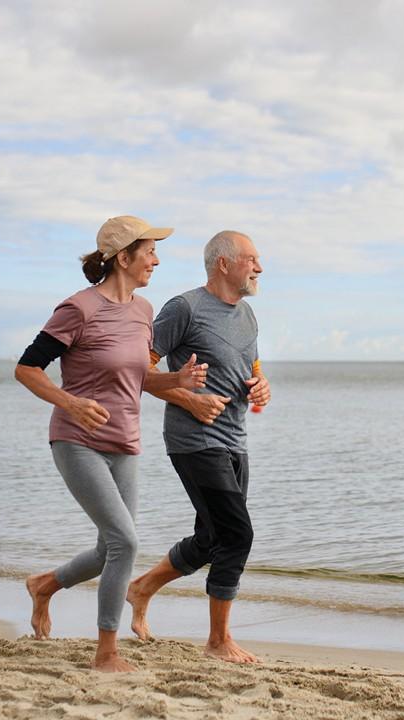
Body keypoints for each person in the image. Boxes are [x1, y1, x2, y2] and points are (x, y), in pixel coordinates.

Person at [15, 215, 209, 673]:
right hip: (77, 440)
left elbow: (137, 377)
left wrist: (176, 380)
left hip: (125, 442)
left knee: (110, 548)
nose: (156, 261)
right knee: (125, 541)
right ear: (124, 258)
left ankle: (45, 585)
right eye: (150, 252)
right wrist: (70, 402)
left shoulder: (143, 310)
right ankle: (106, 652)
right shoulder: (78, 309)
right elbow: (26, 368)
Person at [125, 230, 271, 663]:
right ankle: (218, 641)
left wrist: (261, 385)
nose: (259, 268)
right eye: (251, 259)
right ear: (223, 263)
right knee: (237, 535)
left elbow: (252, 366)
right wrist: (188, 399)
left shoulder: (247, 314)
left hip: (235, 438)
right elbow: (136, 370)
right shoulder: (184, 308)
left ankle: (142, 587)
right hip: (194, 441)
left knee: (211, 538)